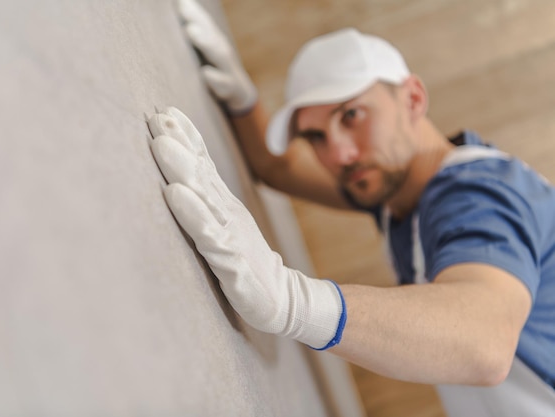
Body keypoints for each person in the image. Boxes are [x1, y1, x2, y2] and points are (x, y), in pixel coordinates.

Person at [150, 0, 555, 414]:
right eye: (316, 136)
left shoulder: (478, 195)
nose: (339, 154)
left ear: (413, 99)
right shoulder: (395, 190)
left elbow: (485, 342)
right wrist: (243, 100)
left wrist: (292, 302)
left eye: (352, 115)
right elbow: (278, 166)